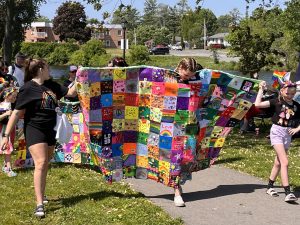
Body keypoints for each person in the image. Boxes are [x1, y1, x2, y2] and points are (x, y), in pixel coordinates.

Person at [0, 58, 77, 217]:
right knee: (41, 162)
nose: (50, 71)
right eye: (48, 67)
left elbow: (71, 93)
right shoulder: (27, 88)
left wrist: (80, 77)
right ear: (41, 69)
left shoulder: (52, 85)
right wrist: (6, 135)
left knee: (46, 162)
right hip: (34, 128)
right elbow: (16, 112)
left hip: (51, 129)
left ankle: (42, 192)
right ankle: (39, 203)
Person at [255, 80, 300, 203]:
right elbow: (257, 104)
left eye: (293, 93)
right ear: (282, 91)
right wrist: (261, 90)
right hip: (276, 133)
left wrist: (297, 128)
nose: (291, 95)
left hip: (287, 135)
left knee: (278, 163)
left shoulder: (296, 105)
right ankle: (288, 192)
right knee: (285, 162)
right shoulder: (276, 101)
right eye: (288, 93)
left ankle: (269, 187)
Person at [172, 57, 202, 207]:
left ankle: (177, 183)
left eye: (191, 75)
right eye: (186, 74)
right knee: (175, 156)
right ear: (180, 67)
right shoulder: (169, 78)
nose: (188, 78)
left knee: (188, 157)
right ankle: (176, 190)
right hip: (173, 123)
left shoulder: (197, 80)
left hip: (191, 123)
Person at [0, 87, 18, 177]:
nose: (15, 97)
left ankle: (5, 166)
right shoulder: (1, 106)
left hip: (9, 130)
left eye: (16, 96)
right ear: (7, 95)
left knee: (7, 148)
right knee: (7, 149)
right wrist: (5, 114)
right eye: (13, 96)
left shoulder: (12, 106)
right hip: (2, 131)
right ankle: (8, 169)